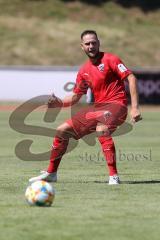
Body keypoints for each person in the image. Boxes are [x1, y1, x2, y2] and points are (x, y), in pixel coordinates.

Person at [29, 30, 142, 185]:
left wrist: (134, 107)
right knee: (62, 130)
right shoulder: (84, 71)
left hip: (117, 105)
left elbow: (131, 78)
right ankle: (51, 173)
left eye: (94, 43)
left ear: (98, 43)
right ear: (82, 47)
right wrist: (59, 103)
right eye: (87, 44)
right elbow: (75, 96)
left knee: (101, 128)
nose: (91, 46)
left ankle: (113, 177)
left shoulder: (111, 59)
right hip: (98, 108)